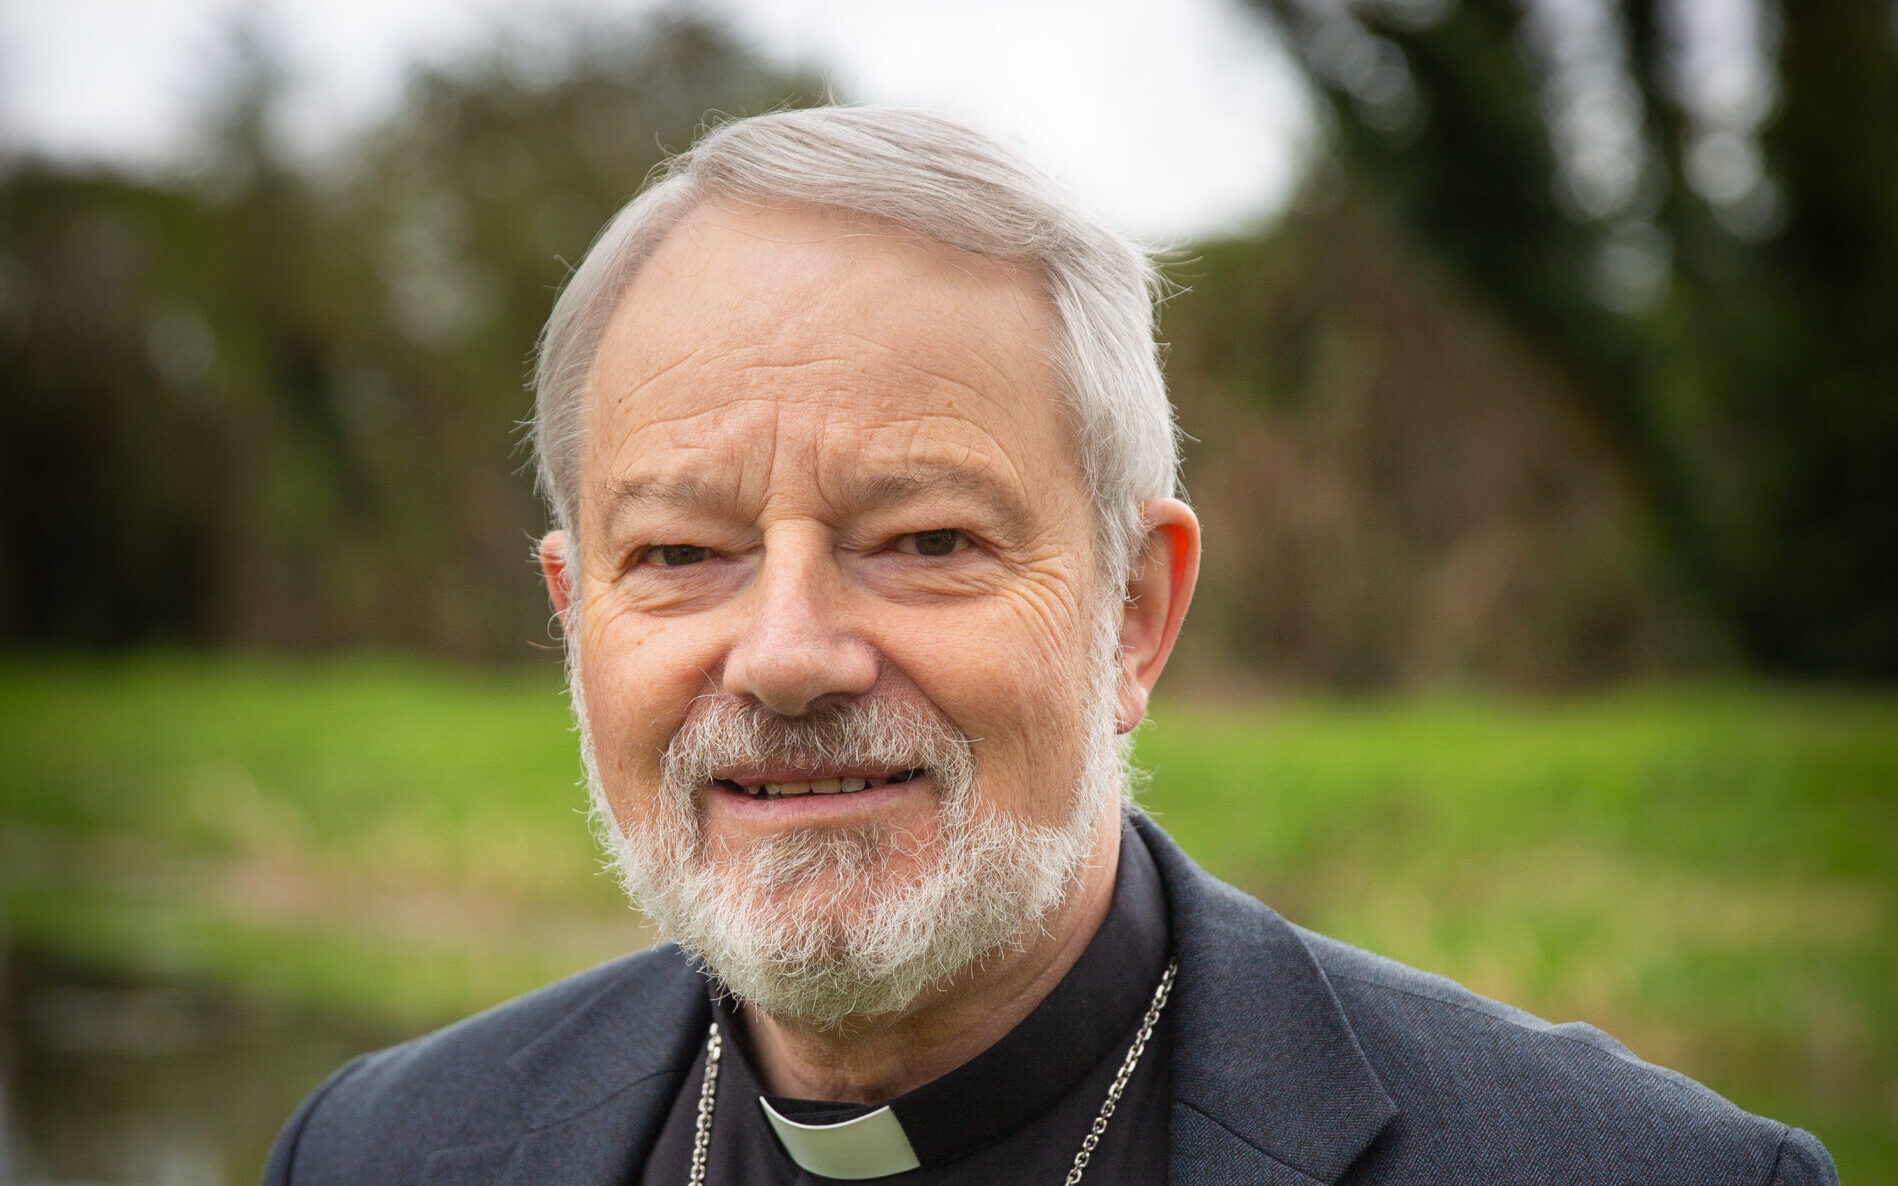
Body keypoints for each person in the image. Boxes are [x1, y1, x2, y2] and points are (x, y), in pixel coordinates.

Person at [265, 106, 1837, 1186]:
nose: (789, 654)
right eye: (679, 554)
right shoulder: (380, 1148)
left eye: (927, 539)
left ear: (1134, 609)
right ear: (574, 617)